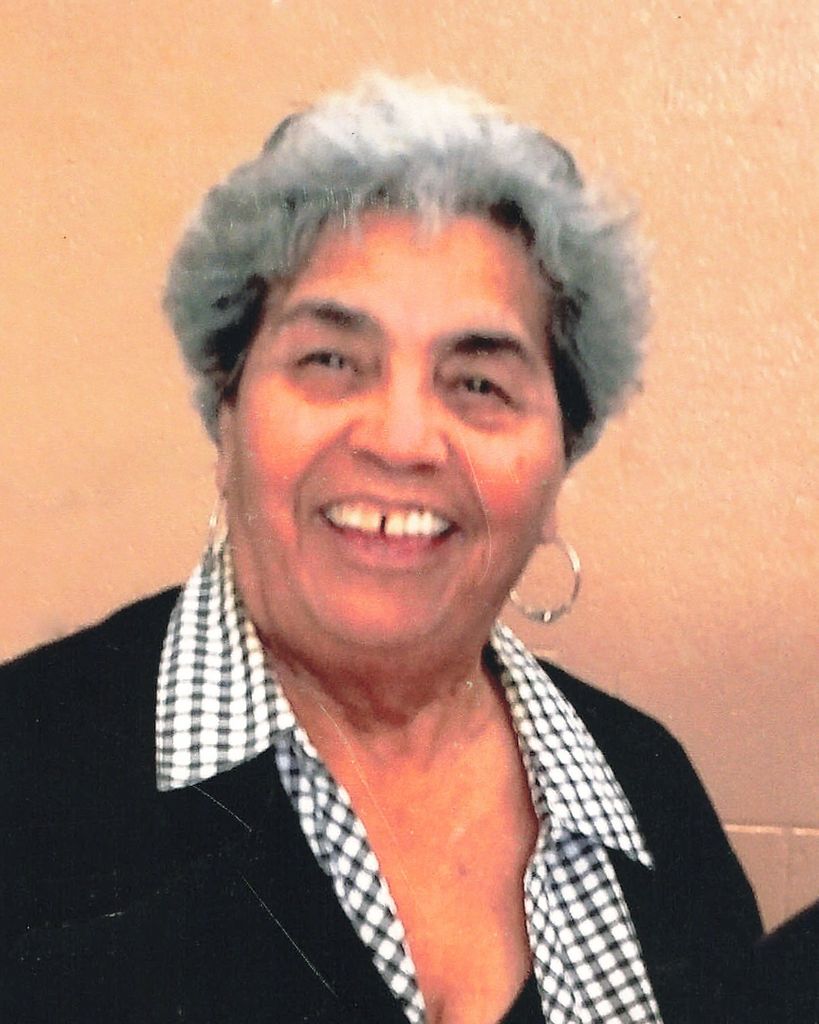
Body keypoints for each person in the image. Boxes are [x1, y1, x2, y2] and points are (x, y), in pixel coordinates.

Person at [1, 75, 761, 1023]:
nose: (401, 441)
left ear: (559, 461)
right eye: (330, 361)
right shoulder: (24, 772)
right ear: (226, 416)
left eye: (478, 383)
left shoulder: (648, 793)